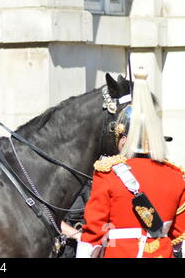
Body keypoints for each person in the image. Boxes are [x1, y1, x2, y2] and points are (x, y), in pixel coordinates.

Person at [76, 67, 185, 258]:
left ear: (124, 139)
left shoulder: (108, 175)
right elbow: (180, 241)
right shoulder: (176, 177)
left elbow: (92, 238)